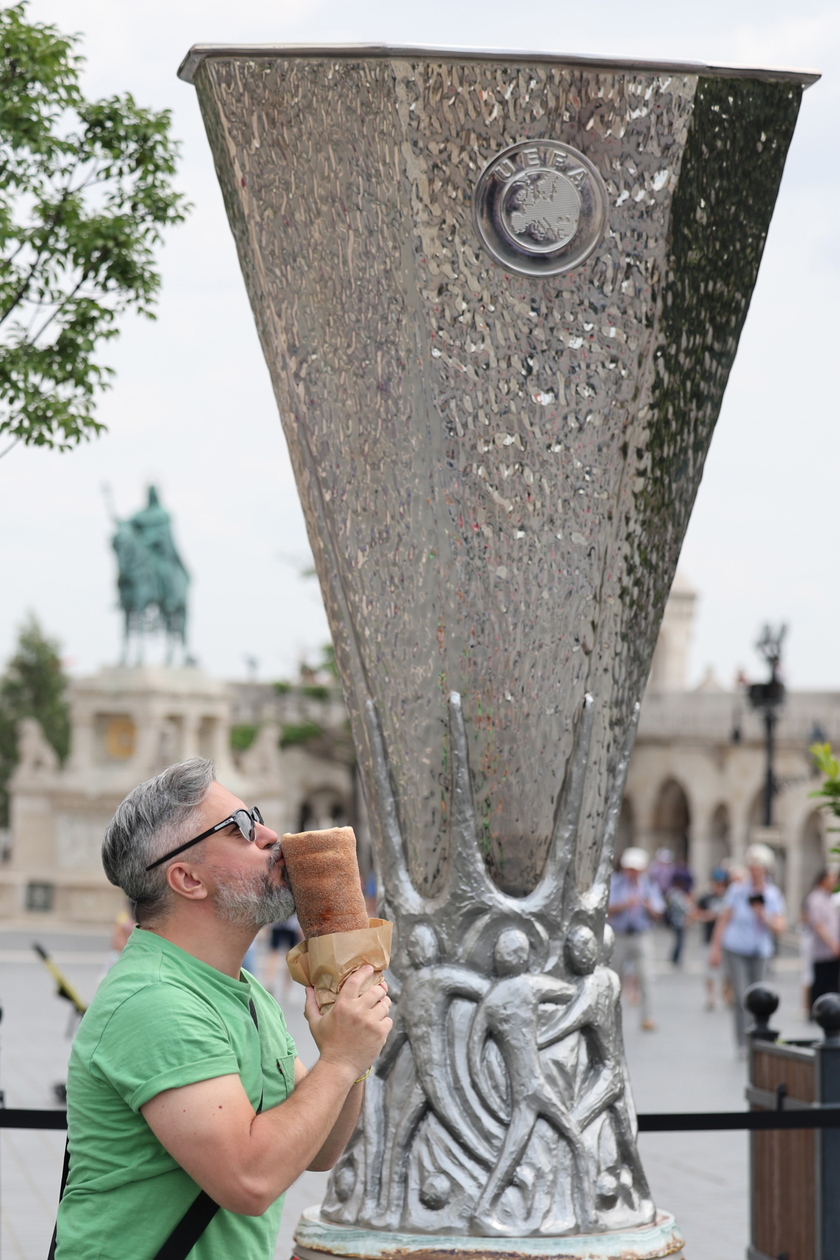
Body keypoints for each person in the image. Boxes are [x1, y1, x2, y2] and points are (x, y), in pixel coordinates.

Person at [54, 758, 392, 1259]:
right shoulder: (156, 1000)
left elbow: (320, 1149)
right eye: (240, 828)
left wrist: (350, 1058)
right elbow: (250, 1180)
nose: (271, 835)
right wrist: (340, 1060)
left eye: (255, 816)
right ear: (188, 879)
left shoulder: (245, 990)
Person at [709, 843, 786, 1055]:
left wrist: (763, 915)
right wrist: (715, 949)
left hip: (760, 951)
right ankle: (742, 1042)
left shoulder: (773, 894)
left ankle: (757, 1038)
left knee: (759, 996)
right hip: (735, 948)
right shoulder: (737, 890)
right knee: (742, 996)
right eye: (752, 865)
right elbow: (723, 920)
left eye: (759, 866)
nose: (755, 870)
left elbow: (780, 927)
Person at [608, 847, 664, 1031]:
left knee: (646, 976)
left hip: (641, 934)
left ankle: (648, 1016)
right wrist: (624, 904)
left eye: (636, 869)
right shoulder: (614, 883)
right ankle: (609, 1016)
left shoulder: (648, 885)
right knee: (614, 977)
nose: (632, 872)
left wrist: (649, 907)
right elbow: (605, 909)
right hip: (619, 934)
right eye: (630, 868)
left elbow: (659, 910)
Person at [804, 868, 840, 1010]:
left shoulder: (830, 898)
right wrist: (832, 944)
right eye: (830, 879)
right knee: (821, 981)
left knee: (832, 982)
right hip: (823, 949)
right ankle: (817, 1010)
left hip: (833, 949)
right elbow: (818, 925)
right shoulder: (816, 899)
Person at [694, 868, 729, 1010]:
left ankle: (727, 994)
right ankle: (711, 997)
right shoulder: (706, 898)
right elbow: (694, 914)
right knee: (710, 971)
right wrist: (706, 916)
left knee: (727, 971)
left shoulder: (729, 897)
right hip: (709, 938)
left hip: (726, 941)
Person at [263, 913, 303, 995]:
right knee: (277, 955)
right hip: (283, 923)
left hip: (287, 923)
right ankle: (272, 983)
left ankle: (284, 986)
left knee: (289, 956)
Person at [665, 872, 694, 968]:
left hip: (676, 920)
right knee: (679, 941)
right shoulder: (676, 894)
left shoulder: (672, 893)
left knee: (678, 940)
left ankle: (676, 957)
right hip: (678, 921)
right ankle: (675, 958)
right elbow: (685, 908)